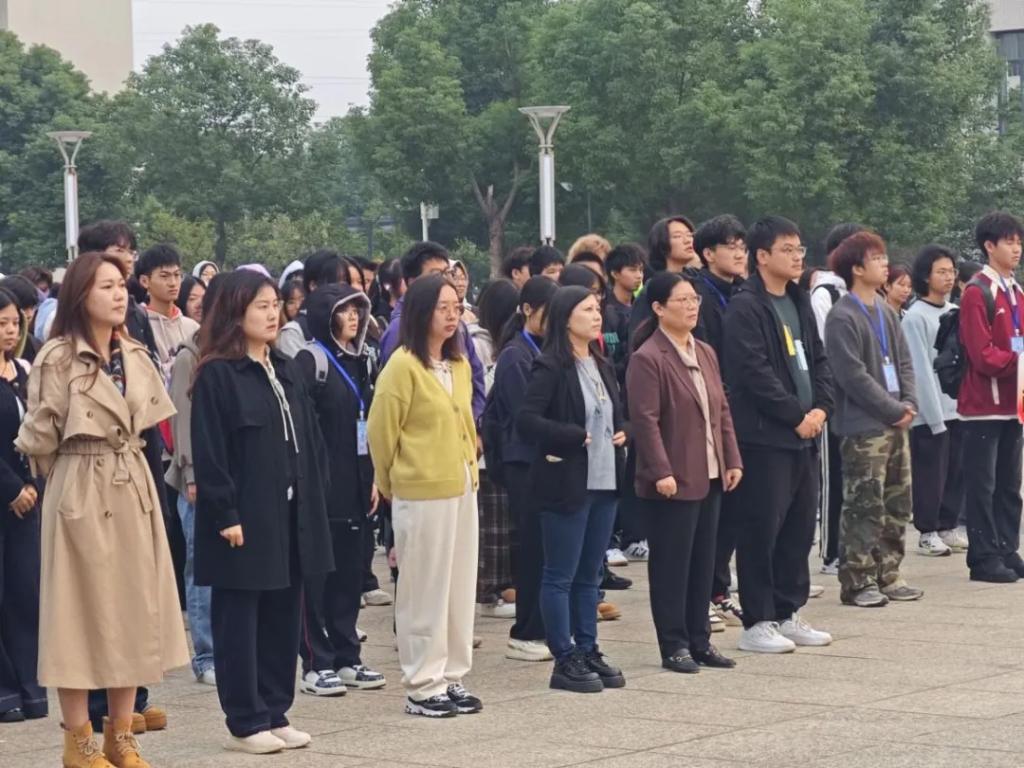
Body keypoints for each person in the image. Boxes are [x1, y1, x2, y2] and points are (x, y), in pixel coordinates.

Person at [15, 252, 188, 768]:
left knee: (132, 610)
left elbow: (151, 423)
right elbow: (39, 441)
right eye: (106, 285)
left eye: (120, 285)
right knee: (77, 615)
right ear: (79, 295)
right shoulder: (56, 357)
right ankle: (79, 740)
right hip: (79, 481)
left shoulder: (133, 352)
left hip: (131, 480)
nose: (118, 294)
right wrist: (74, 477)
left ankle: (122, 734)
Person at [191, 270, 333, 753]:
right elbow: (210, 452)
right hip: (243, 518)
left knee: (282, 616)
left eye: (276, 305)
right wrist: (225, 513)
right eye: (261, 306)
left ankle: (275, 710)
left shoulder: (286, 368)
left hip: (289, 514)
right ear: (236, 312)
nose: (273, 314)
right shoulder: (218, 374)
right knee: (240, 619)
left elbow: (309, 440)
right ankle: (245, 719)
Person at [367, 273, 482, 718]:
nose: (453, 316)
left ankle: (452, 675)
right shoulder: (402, 365)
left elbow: (466, 424)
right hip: (420, 491)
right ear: (420, 312)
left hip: (461, 486)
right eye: (442, 308)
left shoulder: (459, 364)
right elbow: (382, 433)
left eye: (457, 307)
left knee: (457, 586)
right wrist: (390, 482)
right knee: (424, 589)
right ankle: (421, 683)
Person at [722, 216, 834, 654]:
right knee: (760, 530)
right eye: (787, 249)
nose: (797, 256)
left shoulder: (798, 298)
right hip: (766, 437)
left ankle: (789, 612)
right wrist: (794, 415)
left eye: (799, 248)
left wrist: (822, 407)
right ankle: (757, 621)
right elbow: (753, 373)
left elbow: (819, 359)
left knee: (799, 529)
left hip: (806, 435)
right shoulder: (746, 307)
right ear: (762, 256)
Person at [627, 272, 743, 673]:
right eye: (682, 300)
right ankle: (674, 643)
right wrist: (660, 469)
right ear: (659, 308)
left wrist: (731, 459)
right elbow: (645, 421)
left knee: (703, 563)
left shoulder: (705, 351)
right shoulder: (648, 357)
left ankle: (700, 640)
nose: (692, 307)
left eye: (695, 299)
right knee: (672, 566)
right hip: (672, 479)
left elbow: (721, 410)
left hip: (709, 472)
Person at [517, 286, 628, 694]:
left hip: (605, 479)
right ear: (565, 318)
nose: (597, 316)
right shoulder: (550, 365)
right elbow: (526, 419)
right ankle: (564, 656)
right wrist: (570, 434)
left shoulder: (601, 361)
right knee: (560, 574)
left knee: (590, 575)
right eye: (587, 310)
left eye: (598, 309)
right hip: (566, 481)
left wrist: (625, 431)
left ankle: (588, 648)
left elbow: (618, 413)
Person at [294, 283, 387, 696]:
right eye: (344, 311)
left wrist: (373, 478)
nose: (354, 317)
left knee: (350, 576)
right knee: (317, 578)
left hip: (357, 484)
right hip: (321, 487)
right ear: (324, 316)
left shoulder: (363, 360)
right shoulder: (310, 361)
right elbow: (303, 430)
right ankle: (316, 662)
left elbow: (368, 425)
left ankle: (348, 656)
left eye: (357, 310)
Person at [825, 232, 922, 607]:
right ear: (856, 268)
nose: (885, 264)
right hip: (864, 428)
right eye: (877, 258)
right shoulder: (842, 316)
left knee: (898, 502)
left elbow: (904, 361)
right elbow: (852, 376)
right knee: (864, 504)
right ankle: (857, 579)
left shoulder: (885, 310)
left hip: (897, 422)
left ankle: (889, 573)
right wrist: (893, 409)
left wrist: (909, 401)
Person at [492, 277, 560, 662]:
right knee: (532, 548)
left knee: (546, 548)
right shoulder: (515, 356)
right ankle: (526, 630)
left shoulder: (544, 349)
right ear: (527, 310)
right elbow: (525, 414)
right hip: (524, 461)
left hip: (545, 460)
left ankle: (544, 625)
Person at [957, 212, 1024, 583]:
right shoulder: (977, 291)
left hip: (1014, 404)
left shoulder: (1016, 291)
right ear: (989, 246)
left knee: (1009, 485)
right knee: (983, 486)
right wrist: (1019, 361)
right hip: (983, 406)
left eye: (1018, 242)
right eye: (1009, 242)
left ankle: (1006, 548)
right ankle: (983, 557)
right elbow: (981, 354)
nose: (1016, 249)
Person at [165, 276, 224, 688]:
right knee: (199, 566)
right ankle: (205, 654)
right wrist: (190, 474)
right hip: (195, 477)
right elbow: (181, 421)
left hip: (226, 474)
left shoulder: (235, 352)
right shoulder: (190, 355)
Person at [690, 215, 747, 625]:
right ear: (708, 253)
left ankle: (719, 588)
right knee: (709, 515)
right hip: (712, 413)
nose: (739, 253)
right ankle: (702, 593)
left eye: (743, 246)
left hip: (742, 414)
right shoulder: (698, 296)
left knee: (734, 513)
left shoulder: (742, 293)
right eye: (731, 246)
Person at [902, 245, 967, 557]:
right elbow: (920, 370)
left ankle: (947, 526)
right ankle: (927, 532)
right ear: (925, 276)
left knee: (956, 471)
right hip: (930, 413)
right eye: (941, 271)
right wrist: (932, 415)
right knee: (931, 474)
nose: (949, 277)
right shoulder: (915, 317)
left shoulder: (954, 312)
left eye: (951, 271)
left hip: (958, 409)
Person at [0, 289, 45, 723]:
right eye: (1, 324)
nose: (10, 331)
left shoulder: (24, 371)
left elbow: (37, 433)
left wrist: (31, 483)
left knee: (25, 593)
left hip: (27, 499)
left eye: (15, 323)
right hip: (6, 494)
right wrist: (11, 488)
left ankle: (31, 688)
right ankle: (5, 690)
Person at [811, 223, 865, 578]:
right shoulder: (825, 294)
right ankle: (832, 552)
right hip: (835, 399)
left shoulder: (862, 294)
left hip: (863, 402)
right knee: (834, 476)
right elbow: (824, 351)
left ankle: (857, 548)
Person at [379, 242, 486, 420]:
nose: (444, 281)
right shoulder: (399, 329)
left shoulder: (456, 323)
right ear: (411, 282)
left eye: (447, 273)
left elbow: (476, 376)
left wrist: (473, 422)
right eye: (436, 275)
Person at [469, 280, 520, 619]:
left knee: (502, 525)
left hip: (499, 450)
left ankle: (502, 587)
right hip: (484, 450)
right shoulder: (478, 344)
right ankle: (488, 592)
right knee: (490, 529)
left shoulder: (505, 346)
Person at [137, 244, 200, 384]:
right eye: (164, 276)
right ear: (145, 281)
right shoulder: (138, 328)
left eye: (177, 275)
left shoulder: (193, 328)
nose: (173, 283)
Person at [602, 244, 646, 386]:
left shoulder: (642, 306)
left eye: (641, 270)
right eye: (632, 270)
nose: (639, 275)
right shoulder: (604, 310)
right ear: (615, 274)